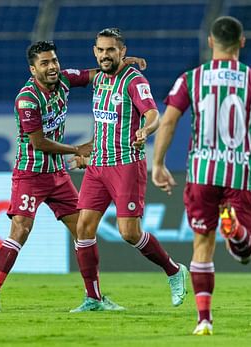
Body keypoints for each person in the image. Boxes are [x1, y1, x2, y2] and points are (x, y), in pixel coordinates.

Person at [151, 16, 251, 335]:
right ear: (242, 42)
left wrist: (158, 163)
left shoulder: (191, 78)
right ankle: (235, 230)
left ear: (210, 42)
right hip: (240, 173)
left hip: (201, 172)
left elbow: (168, 122)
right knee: (245, 253)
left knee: (202, 243)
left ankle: (204, 319)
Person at [0, 40, 146, 313]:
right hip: (30, 174)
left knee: (84, 230)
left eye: (54, 60)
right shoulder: (27, 99)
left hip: (57, 175)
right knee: (21, 229)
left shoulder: (65, 80)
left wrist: (124, 63)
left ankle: (94, 298)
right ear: (33, 70)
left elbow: (98, 73)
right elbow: (38, 142)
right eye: (44, 63)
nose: (52, 67)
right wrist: (77, 149)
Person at [69, 28, 188, 313]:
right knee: (83, 228)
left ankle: (174, 271)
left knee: (129, 233)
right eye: (100, 49)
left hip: (126, 164)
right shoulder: (97, 78)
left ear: (121, 51)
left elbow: (153, 113)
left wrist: (145, 130)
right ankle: (93, 298)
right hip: (98, 164)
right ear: (94, 51)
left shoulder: (134, 80)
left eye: (111, 50)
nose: (104, 54)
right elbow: (65, 76)